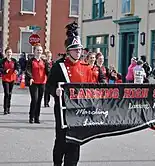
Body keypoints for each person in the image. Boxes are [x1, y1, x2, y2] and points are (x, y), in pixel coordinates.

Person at [46, 21, 93, 166]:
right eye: (75, 49)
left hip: (78, 109)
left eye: (80, 49)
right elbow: (49, 85)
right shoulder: (59, 66)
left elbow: (91, 88)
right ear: (68, 50)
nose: (79, 52)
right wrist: (55, 91)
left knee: (75, 141)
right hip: (62, 109)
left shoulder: (86, 67)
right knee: (61, 139)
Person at [25, 44, 50, 124]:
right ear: (34, 51)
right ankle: (31, 116)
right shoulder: (31, 61)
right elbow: (28, 70)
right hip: (34, 83)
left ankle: (37, 117)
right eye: (37, 50)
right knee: (34, 99)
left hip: (42, 83)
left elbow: (48, 71)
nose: (39, 51)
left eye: (40, 50)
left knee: (39, 100)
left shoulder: (44, 61)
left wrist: (52, 78)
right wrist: (31, 77)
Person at [0, 47, 19, 114]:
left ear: (12, 53)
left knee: (10, 93)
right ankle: (5, 109)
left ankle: (8, 108)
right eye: (8, 52)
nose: (9, 54)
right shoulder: (3, 60)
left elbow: (17, 67)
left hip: (12, 78)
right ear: (5, 53)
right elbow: (1, 69)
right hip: (5, 79)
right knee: (7, 93)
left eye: (10, 52)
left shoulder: (14, 60)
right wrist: (5, 71)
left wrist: (17, 70)